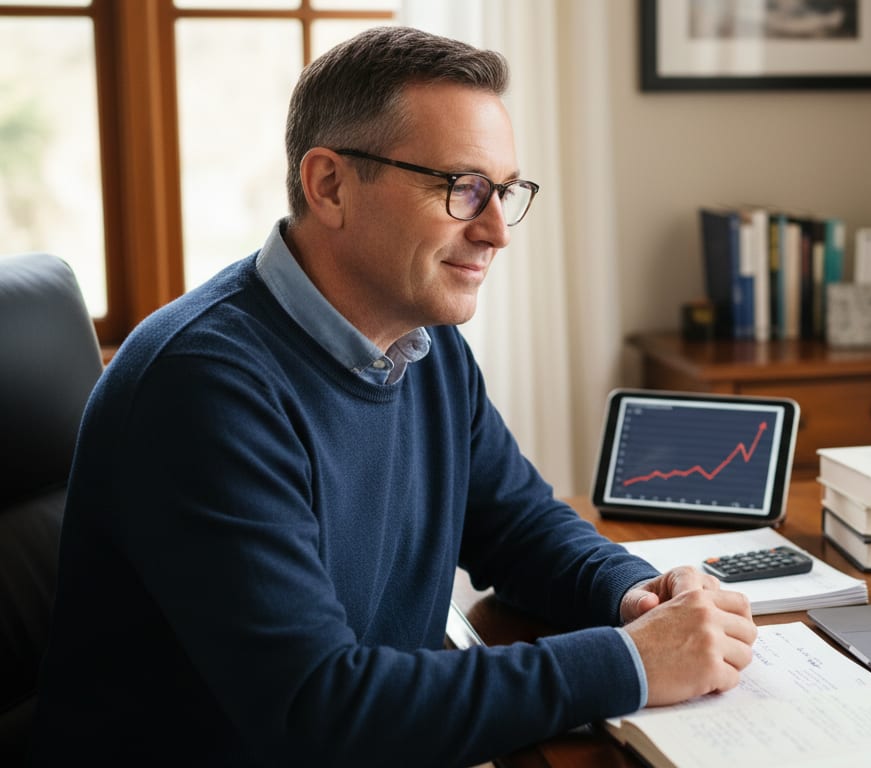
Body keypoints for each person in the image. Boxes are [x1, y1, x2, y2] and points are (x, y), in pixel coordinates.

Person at [32, 27, 756, 767]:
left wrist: (635, 593)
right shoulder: (204, 387)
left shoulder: (423, 343)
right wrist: (629, 663)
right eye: (461, 188)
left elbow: (519, 525)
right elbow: (318, 707)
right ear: (330, 185)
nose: (497, 231)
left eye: (504, 191)